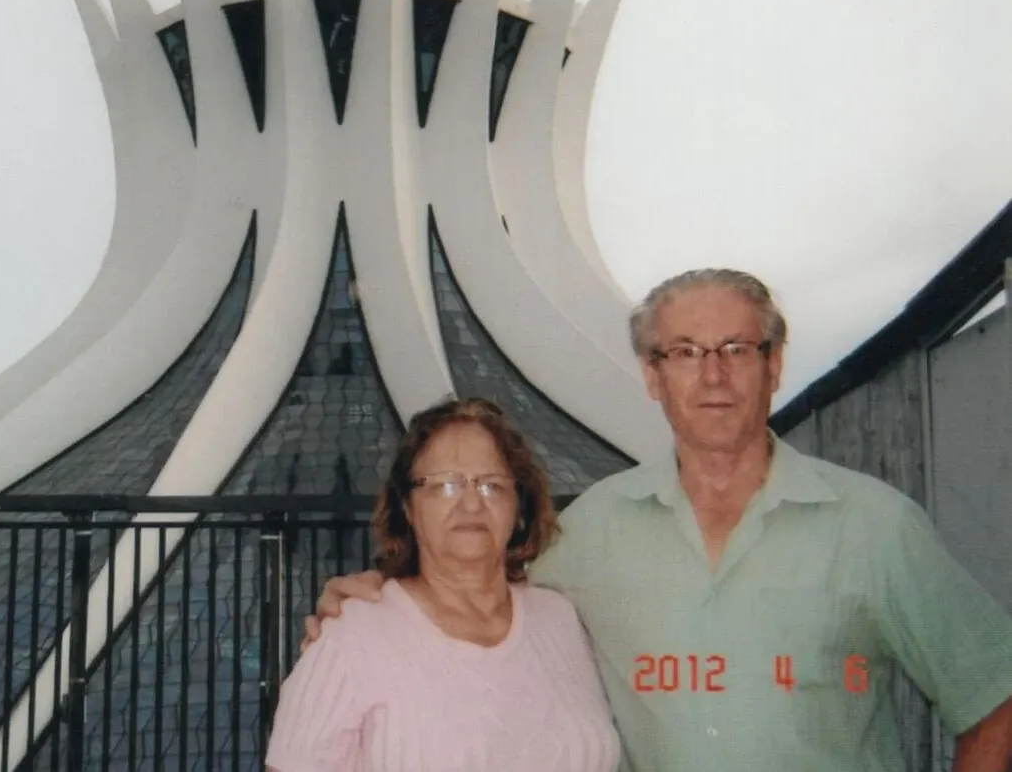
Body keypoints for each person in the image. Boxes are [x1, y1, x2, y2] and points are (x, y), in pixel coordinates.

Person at [302, 269, 1012, 771]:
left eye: (737, 348)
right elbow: (474, 587)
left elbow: (992, 694)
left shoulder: (874, 527)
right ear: (651, 376)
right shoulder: (591, 532)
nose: (712, 374)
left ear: (774, 366)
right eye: (683, 352)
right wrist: (371, 593)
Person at [265, 396, 621, 772]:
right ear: (407, 506)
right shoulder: (352, 634)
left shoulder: (561, 620)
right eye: (445, 486)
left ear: (519, 506)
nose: (471, 504)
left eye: (491, 485)